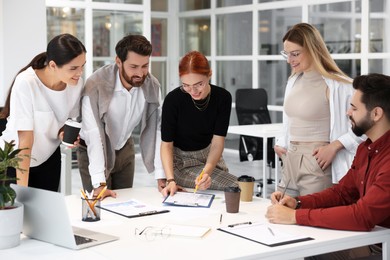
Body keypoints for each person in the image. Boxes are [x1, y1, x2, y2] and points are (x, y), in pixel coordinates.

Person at [266, 73, 390, 259]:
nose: (348, 113)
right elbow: (342, 193)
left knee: (311, 250)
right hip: (369, 239)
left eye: (354, 108)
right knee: (306, 248)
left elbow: (362, 216)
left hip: (381, 247)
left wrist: (295, 217)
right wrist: (298, 203)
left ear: (376, 114)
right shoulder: (367, 148)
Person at [274, 23, 363, 197]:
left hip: (317, 162)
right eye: (286, 53)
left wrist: (336, 146)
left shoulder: (341, 85)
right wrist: (281, 141)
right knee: (279, 214)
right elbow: (290, 118)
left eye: (295, 54)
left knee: (311, 218)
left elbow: (365, 128)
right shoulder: (293, 81)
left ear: (313, 49)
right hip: (290, 159)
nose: (289, 60)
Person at [77, 34, 163, 199]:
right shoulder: (95, 86)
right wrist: (99, 184)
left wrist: (161, 175)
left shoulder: (152, 86)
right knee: (99, 206)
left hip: (125, 148)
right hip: (93, 150)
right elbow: (94, 135)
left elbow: (158, 130)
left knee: (124, 204)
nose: (140, 73)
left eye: (145, 66)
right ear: (118, 61)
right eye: (134, 66)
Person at [0, 33, 86, 191]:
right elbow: (25, 142)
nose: (79, 73)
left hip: (48, 159)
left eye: (82, 66)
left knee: (45, 212)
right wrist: (22, 193)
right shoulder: (26, 82)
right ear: (53, 65)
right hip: (14, 160)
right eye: (73, 68)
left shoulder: (75, 84)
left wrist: (63, 133)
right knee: (18, 211)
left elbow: (67, 120)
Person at [159, 50, 238, 197]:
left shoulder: (223, 98)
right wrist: (170, 180)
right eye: (186, 85)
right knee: (236, 185)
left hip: (210, 157)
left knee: (221, 190)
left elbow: (217, 142)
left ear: (209, 75)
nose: (193, 91)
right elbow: (166, 145)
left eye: (198, 84)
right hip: (182, 163)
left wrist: (206, 172)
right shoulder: (173, 100)